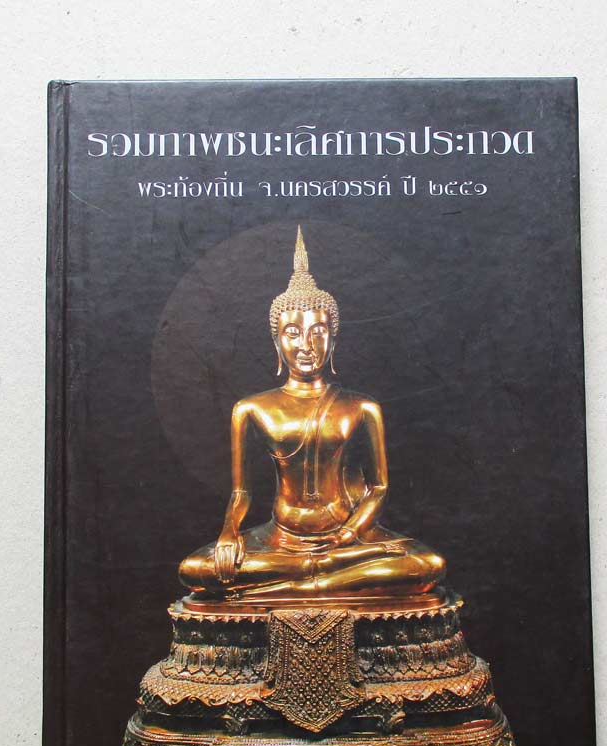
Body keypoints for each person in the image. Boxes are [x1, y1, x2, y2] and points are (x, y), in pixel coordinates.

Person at [179, 227, 445, 599]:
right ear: (276, 341)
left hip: (347, 536)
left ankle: (301, 580)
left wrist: (348, 535)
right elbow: (241, 492)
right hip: (280, 538)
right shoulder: (251, 408)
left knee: (428, 564)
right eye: (292, 332)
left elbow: (379, 487)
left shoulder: (362, 407)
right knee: (194, 570)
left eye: (318, 331)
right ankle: (315, 571)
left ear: (333, 338)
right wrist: (229, 533)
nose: (306, 345)